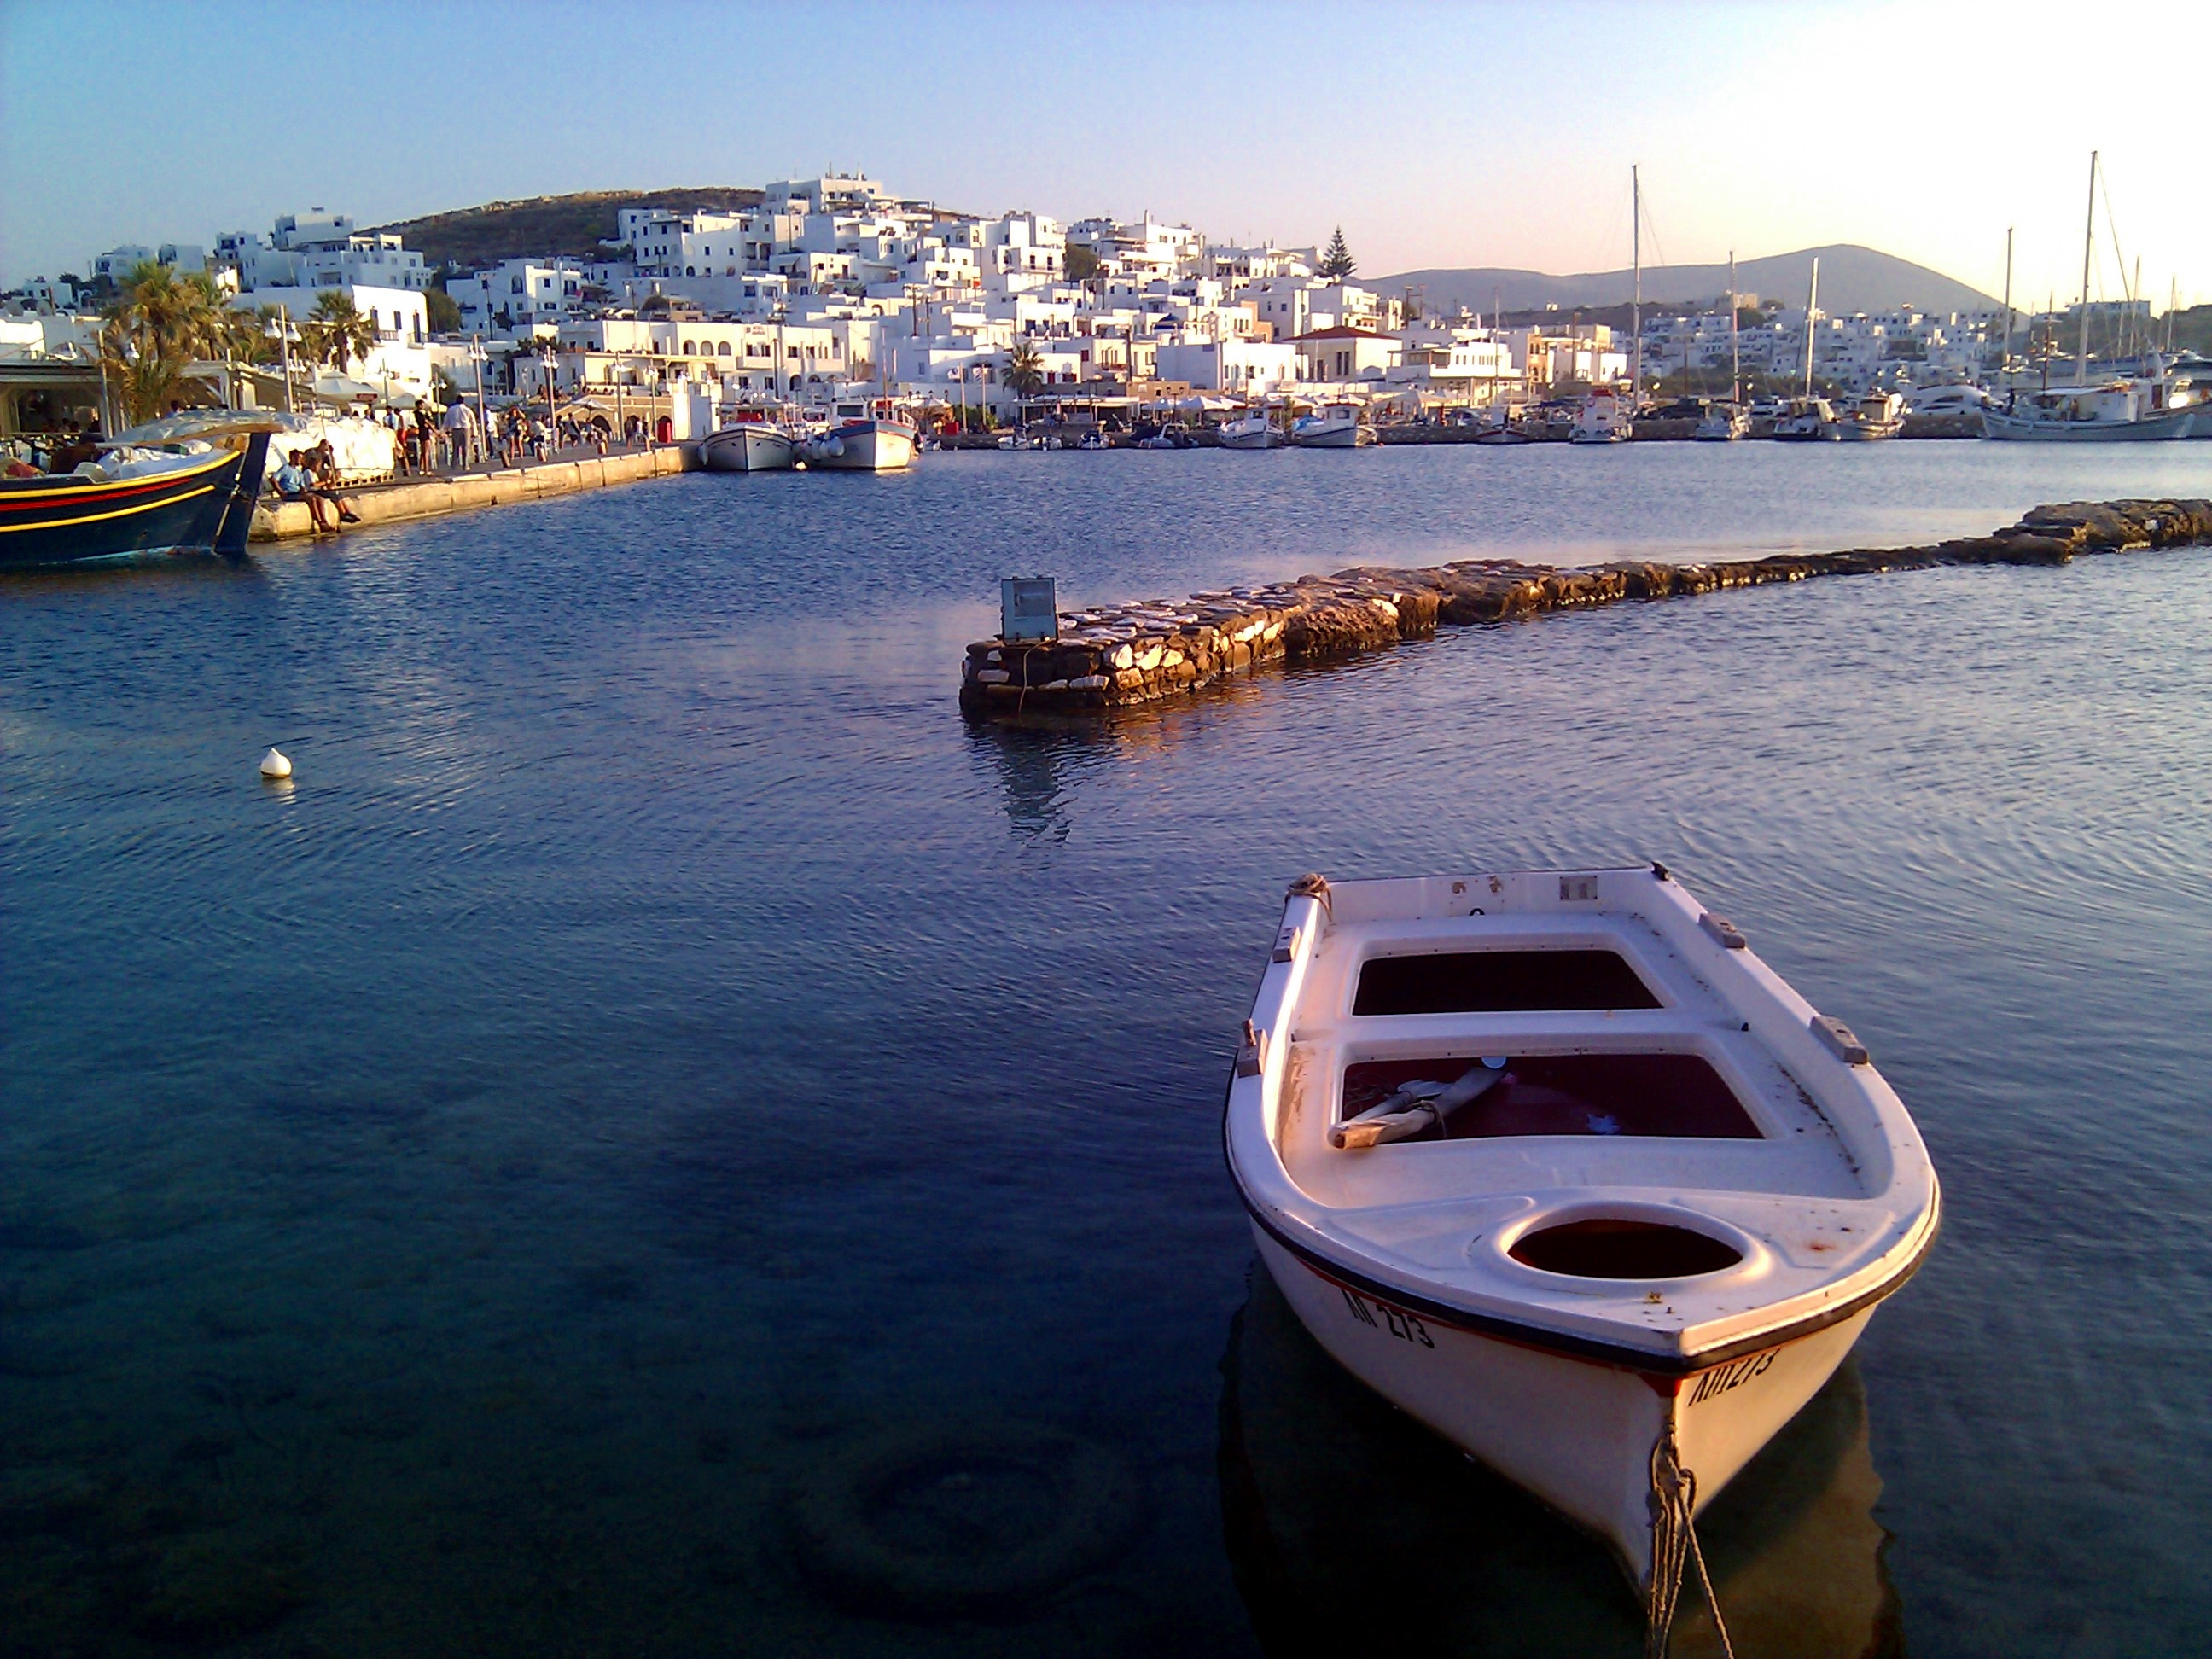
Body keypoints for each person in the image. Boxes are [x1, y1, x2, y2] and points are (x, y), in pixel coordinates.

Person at [272, 451, 339, 533]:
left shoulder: (298, 472)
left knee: (320, 499)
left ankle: (325, 521)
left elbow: (302, 486)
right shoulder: (285, 469)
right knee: (311, 499)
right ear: (292, 457)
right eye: (298, 458)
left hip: (297, 493)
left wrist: (303, 490)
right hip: (289, 494)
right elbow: (273, 479)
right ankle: (320, 523)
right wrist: (280, 491)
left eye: (301, 458)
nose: (300, 460)